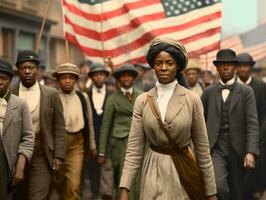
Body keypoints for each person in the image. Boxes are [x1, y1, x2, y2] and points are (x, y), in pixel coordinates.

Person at [119, 37, 217, 200]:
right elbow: (134, 148)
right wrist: (124, 186)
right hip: (152, 172)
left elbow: (202, 149)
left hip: (183, 172)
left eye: (169, 63)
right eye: (158, 63)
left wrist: (211, 192)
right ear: (153, 66)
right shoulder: (143, 101)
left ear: (177, 66)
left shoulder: (191, 99)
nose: (163, 68)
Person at [201, 49, 259, 199]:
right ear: (217, 68)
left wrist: (251, 151)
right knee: (219, 187)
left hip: (238, 148)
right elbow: (200, 123)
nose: (226, 68)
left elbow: (252, 123)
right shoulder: (208, 93)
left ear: (235, 67)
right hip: (215, 148)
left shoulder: (246, 92)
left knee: (237, 191)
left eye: (229, 65)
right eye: (222, 65)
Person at [11, 50, 66, 200]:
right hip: (16, 155)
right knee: (20, 194)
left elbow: (60, 127)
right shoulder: (10, 93)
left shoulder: (51, 94)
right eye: (23, 68)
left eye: (32, 67)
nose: (27, 71)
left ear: (38, 70)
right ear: (18, 70)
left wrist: (59, 155)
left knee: (37, 196)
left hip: (42, 153)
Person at [52, 63, 96, 200]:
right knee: (58, 182)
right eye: (63, 77)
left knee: (74, 185)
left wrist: (92, 145)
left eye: (71, 78)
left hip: (77, 146)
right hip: (56, 146)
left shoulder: (83, 97)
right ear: (58, 80)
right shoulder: (52, 96)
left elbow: (89, 122)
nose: (67, 81)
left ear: (75, 80)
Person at [98, 64, 142, 199]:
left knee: (138, 176)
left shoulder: (142, 96)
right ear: (119, 79)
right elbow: (105, 126)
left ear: (134, 78)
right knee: (122, 177)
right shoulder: (112, 99)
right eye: (123, 76)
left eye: (129, 75)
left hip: (139, 141)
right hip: (120, 143)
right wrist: (101, 152)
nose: (126, 78)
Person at [0, 58, 35, 199]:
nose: (0, 82)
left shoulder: (20, 105)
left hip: (7, 163)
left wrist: (20, 167)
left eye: (4, 78)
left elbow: (28, 138)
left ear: (11, 80)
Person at [236, 53, 266, 199]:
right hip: (236, 139)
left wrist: (260, 137)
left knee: (254, 179)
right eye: (240, 66)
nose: (242, 69)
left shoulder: (261, 86)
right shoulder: (232, 87)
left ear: (251, 68)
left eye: (246, 66)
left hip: (257, 138)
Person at [84, 62, 114, 200]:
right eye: (96, 75)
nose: (99, 77)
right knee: (92, 166)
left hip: (108, 135)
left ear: (106, 77)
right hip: (91, 135)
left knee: (107, 164)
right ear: (92, 77)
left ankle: (107, 193)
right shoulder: (86, 95)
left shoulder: (112, 95)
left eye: (101, 74)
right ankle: (95, 192)